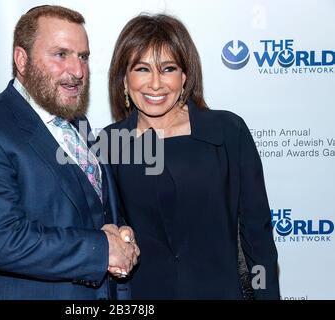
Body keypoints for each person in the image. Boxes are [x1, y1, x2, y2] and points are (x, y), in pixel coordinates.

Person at [0, 5, 139, 300]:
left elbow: (93, 210)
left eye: (83, 57)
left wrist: (121, 236)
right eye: (61, 54)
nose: (77, 71)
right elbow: (3, 240)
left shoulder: (79, 124)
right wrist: (103, 249)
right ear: (22, 60)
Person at [100, 13, 280, 299]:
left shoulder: (226, 132)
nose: (156, 84)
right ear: (124, 78)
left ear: (185, 76)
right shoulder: (109, 144)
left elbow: (257, 235)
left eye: (168, 68)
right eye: (142, 69)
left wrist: (266, 296)